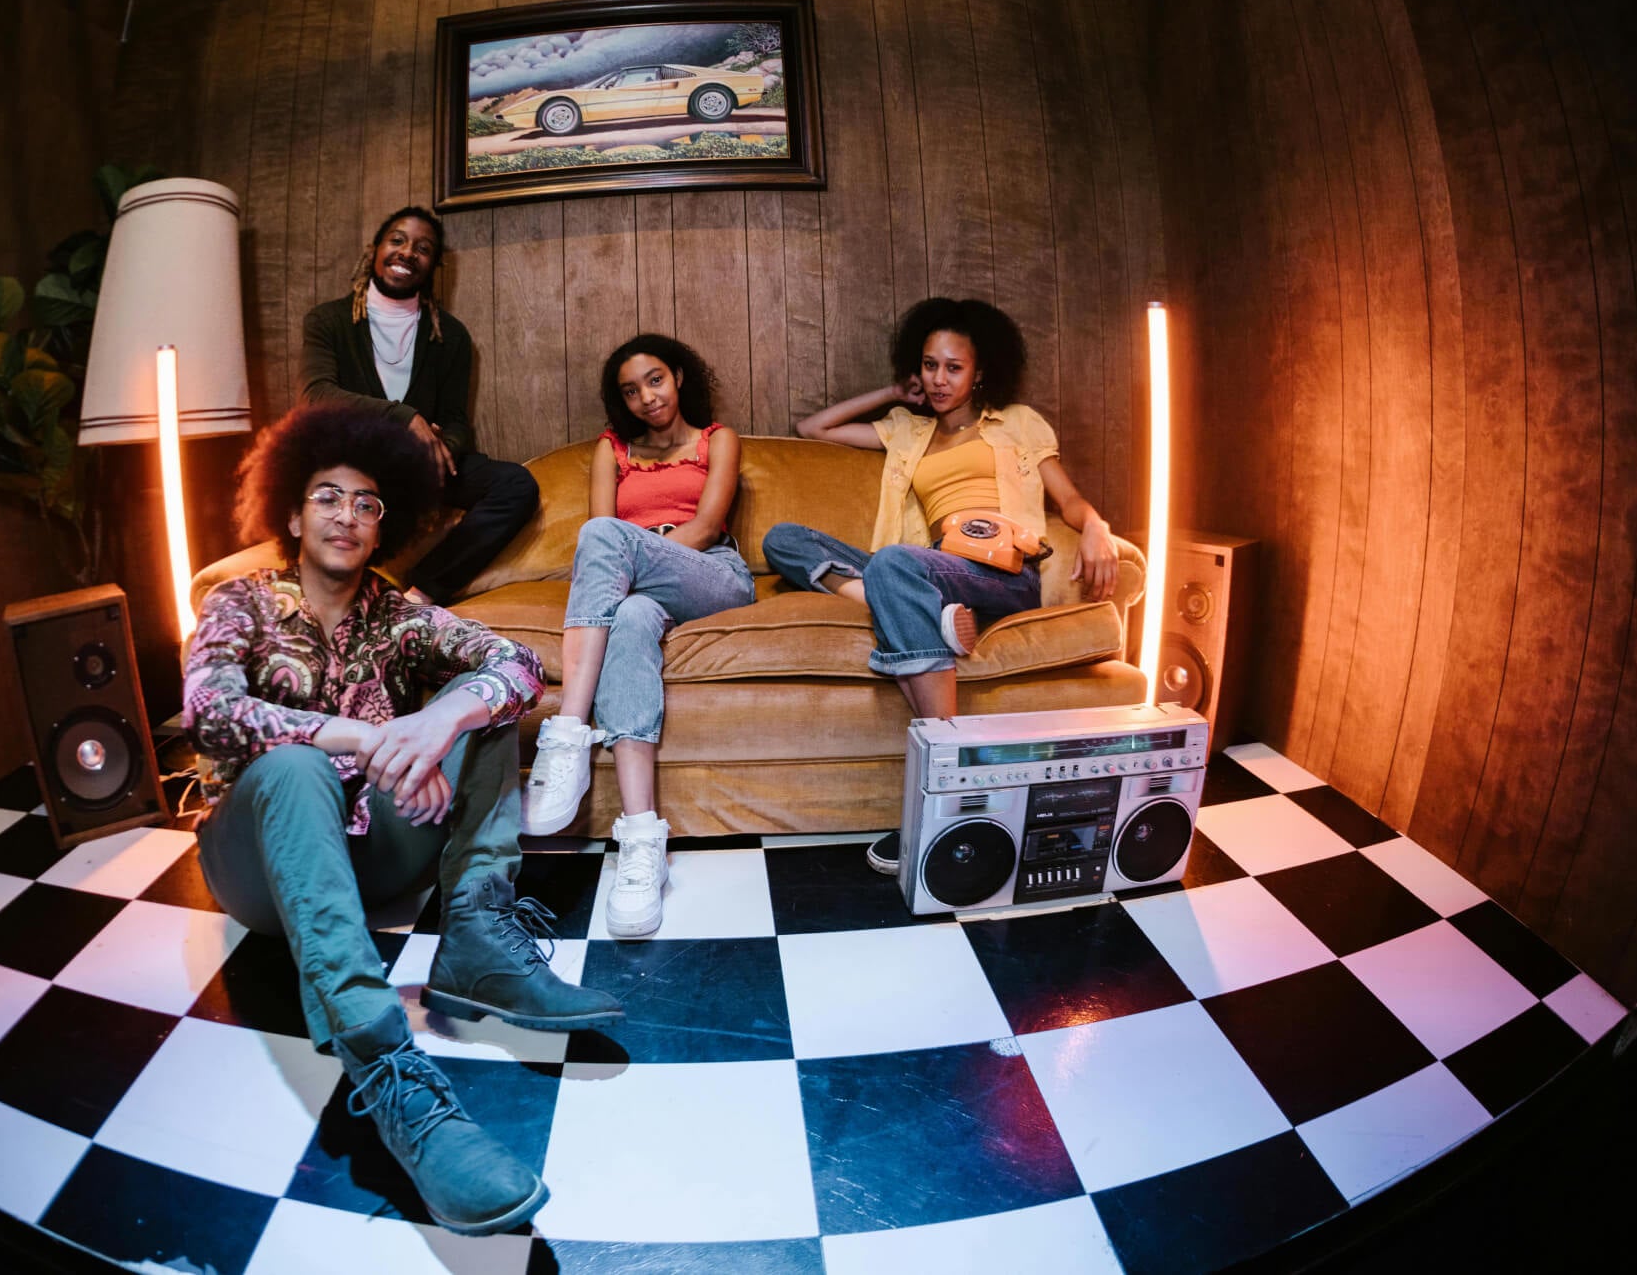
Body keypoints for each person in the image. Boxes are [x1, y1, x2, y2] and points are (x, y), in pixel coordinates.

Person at [183, 403, 622, 1236]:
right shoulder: (240, 601)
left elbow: (519, 663)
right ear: (290, 511)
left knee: (484, 703)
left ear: (384, 525)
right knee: (295, 763)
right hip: (260, 870)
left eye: (367, 503)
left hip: (372, 850)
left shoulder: (396, 613)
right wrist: (371, 736)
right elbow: (210, 710)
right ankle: (388, 1071)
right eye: (328, 496)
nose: (348, 515)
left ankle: (478, 941)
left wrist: (438, 725)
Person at [762, 297, 1119, 876]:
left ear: (981, 372)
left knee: (895, 565)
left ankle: (941, 782)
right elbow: (812, 428)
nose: (939, 379)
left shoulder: (1018, 423)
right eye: (929, 365)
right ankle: (905, 604)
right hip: (926, 567)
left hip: (1000, 572)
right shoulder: (907, 431)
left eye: (954, 367)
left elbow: (1069, 499)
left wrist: (1098, 526)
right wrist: (892, 394)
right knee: (784, 539)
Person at [519, 335, 753, 937]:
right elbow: (602, 528)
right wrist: (626, 571)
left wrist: (635, 555)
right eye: (631, 390)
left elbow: (703, 526)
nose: (646, 398)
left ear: (677, 377)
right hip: (635, 594)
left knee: (606, 536)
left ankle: (567, 730)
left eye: (655, 380)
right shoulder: (613, 450)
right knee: (626, 617)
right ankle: (642, 843)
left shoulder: (716, 439)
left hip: (709, 572)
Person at [297, 205, 538, 605]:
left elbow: (456, 419)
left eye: (423, 248)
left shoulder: (451, 336)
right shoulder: (329, 321)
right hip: (350, 464)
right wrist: (403, 417)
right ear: (374, 250)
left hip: (419, 470)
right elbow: (315, 396)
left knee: (515, 484)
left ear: (433, 265)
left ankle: (421, 593)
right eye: (397, 240)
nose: (408, 252)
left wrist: (442, 450)